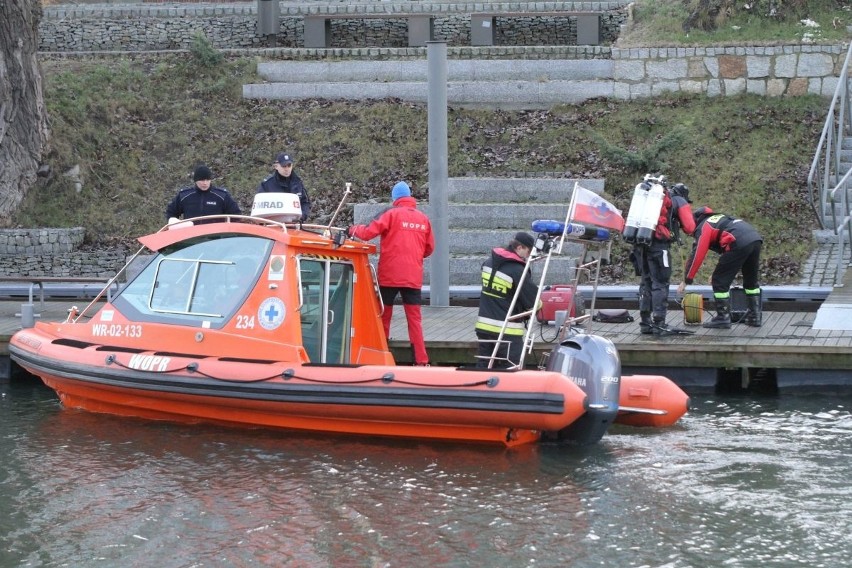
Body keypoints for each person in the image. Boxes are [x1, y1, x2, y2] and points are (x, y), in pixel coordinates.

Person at [348, 181, 434, 366]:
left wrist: (353, 229)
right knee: (415, 321)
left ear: (395, 198)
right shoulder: (423, 219)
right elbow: (429, 248)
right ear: (410, 196)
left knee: (384, 317)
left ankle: (382, 355)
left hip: (390, 276)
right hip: (412, 278)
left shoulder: (391, 214)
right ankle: (421, 361)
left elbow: (368, 233)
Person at [677, 207, 763, 328]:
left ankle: (723, 318)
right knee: (751, 281)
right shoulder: (717, 218)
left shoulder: (703, 227)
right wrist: (721, 271)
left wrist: (687, 279)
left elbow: (697, 255)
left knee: (719, 281)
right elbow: (727, 246)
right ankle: (754, 317)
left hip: (737, 241)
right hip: (754, 238)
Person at [629, 181, 696, 336]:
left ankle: (645, 323)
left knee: (646, 282)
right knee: (660, 283)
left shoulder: (649, 199)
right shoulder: (678, 200)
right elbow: (690, 227)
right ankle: (659, 323)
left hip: (640, 245)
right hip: (659, 247)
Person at [475, 232, 540, 369]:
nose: (528, 256)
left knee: (484, 367)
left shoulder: (488, 263)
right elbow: (533, 302)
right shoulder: (517, 270)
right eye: (528, 251)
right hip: (507, 331)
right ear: (519, 248)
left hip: (483, 327)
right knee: (511, 369)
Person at [165, 164, 241, 223]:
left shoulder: (222, 196)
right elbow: (171, 213)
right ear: (196, 180)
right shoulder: (184, 196)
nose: (205, 183)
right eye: (202, 180)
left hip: (216, 237)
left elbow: (236, 215)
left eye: (207, 180)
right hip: (191, 236)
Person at [256, 152, 311, 222]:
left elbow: (305, 202)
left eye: (289, 165)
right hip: (273, 225)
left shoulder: (298, 182)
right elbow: (260, 206)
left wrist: (302, 216)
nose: (287, 169)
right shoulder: (267, 184)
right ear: (276, 166)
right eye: (284, 166)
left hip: (295, 225)